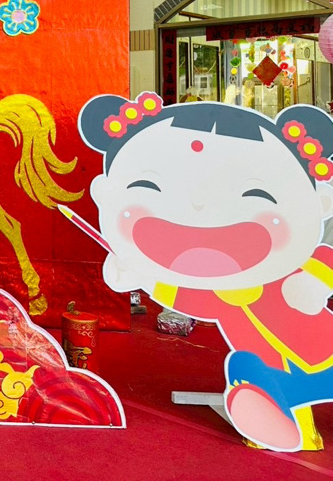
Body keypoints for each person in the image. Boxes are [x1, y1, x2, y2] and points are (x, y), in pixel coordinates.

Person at [78, 91, 333, 452]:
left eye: (256, 193)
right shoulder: (217, 288)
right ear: (105, 192)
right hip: (273, 370)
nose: (198, 206)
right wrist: (141, 275)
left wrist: (316, 280)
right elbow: (187, 295)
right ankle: (279, 420)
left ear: (319, 203)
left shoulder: (295, 262)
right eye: (150, 187)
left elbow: (324, 256)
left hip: (326, 351)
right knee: (249, 367)